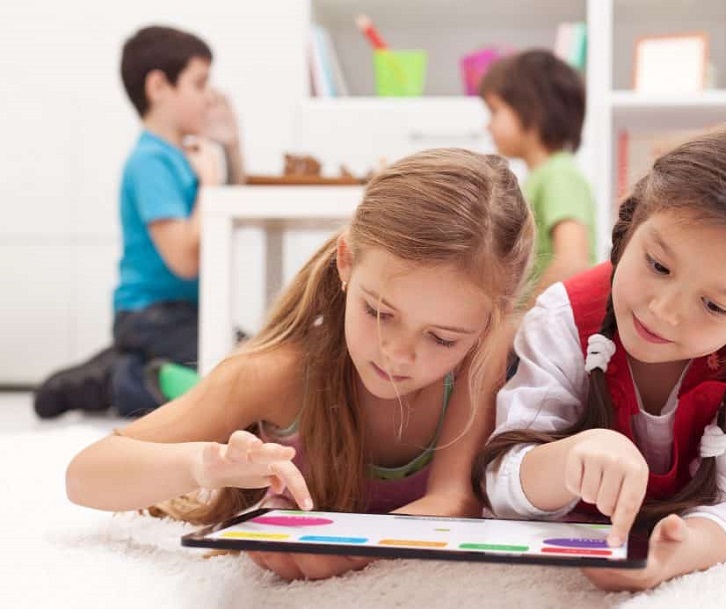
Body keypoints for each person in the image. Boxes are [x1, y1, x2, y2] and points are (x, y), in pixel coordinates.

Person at [66, 148, 536, 581]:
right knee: (186, 391)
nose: (397, 353)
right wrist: (203, 465)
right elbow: (85, 475)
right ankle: (131, 373)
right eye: (379, 313)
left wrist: (350, 548)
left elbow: (455, 500)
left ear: (490, 321)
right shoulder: (276, 373)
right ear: (346, 261)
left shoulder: (482, 357)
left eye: (440, 338)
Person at [472, 125, 726, 591]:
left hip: (710, 467)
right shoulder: (563, 316)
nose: (664, 312)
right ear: (629, 228)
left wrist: (670, 557)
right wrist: (570, 460)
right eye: (658, 266)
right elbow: (501, 485)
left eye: (714, 306)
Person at [33, 25, 245, 419]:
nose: (209, 97)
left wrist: (230, 145)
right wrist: (209, 185)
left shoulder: (185, 156)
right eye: (199, 84)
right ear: (158, 86)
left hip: (183, 312)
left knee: (255, 365)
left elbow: (228, 212)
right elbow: (183, 259)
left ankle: (133, 364)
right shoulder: (151, 161)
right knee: (239, 381)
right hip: (153, 314)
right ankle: (120, 377)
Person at [480, 49, 596, 304]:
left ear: (532, 110)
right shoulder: (540, 178)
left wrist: (519, 323)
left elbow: (572, 261)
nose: (487, 125)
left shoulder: (559, 175)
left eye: (495, 111)